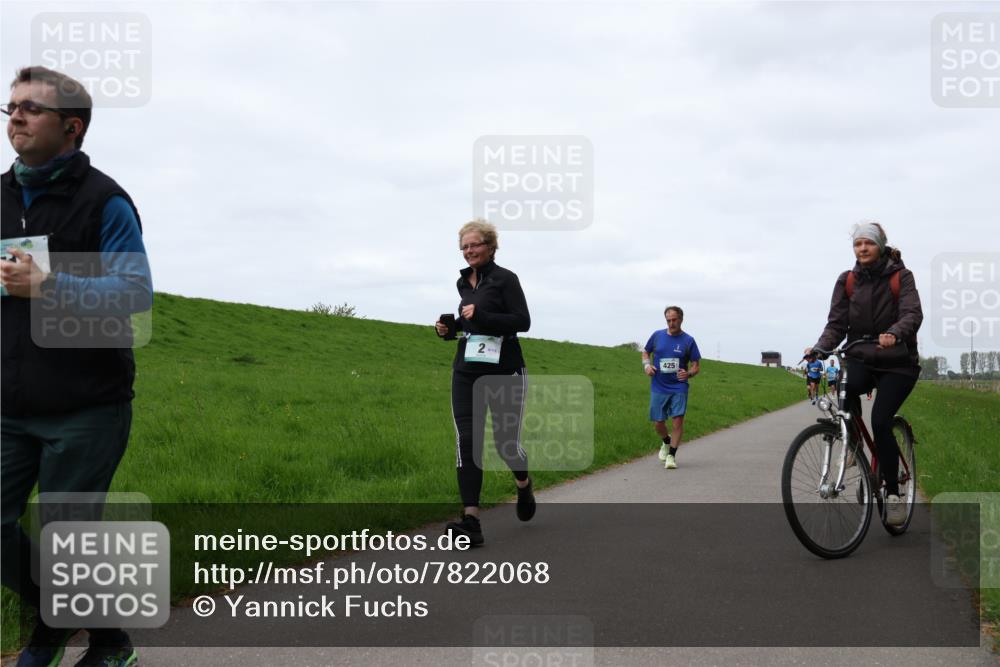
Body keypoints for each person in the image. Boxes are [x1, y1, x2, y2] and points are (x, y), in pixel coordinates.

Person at [1, 66, 151, 667]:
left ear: (71, 126)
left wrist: (49, 285)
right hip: (9, 402)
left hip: (87, 406)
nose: (15, 117)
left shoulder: (105, 201)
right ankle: (93, 629)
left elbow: (134, 293)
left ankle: (56, 637)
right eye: (10, 107)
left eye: (30, 109)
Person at [805, 222, 922, 527]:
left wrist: (895, 333)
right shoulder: (847, 281)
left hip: (898, 362)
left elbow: (912, 313)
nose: (863, 248)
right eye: (858, 244)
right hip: (861, 356)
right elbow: (836, 324)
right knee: (845, 388)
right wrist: (819, 349)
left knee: (881, 421)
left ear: (880, 245)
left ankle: (894, 495)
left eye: (868, 243)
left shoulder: (901, 277)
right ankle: (854, 445)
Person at [434, 220, 533, 546]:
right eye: (464, 247)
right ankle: (471, 521)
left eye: (474, 245)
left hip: (504, 370)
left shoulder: (506, 279)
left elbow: (522, 321)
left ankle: (523, 483)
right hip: (467, 370)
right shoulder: (463, 283)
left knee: (506, 444)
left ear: (490, 246)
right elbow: (471, 324)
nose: (469, 251)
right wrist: (450, 330)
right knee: (468, 441)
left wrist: (482, 317)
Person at [642, 306, 701, 469]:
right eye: (668, 320)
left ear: (681, 319)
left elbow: (696, 365)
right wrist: (647, 366)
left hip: (679, 387)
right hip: (659, 386)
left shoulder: (688, 341)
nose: (671, 323)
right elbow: (645, 352)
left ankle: (671, 456)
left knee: (677, 421)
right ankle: (666, 442)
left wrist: (688, 374)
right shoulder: (657, 336)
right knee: (658, 423)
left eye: (674, 320)